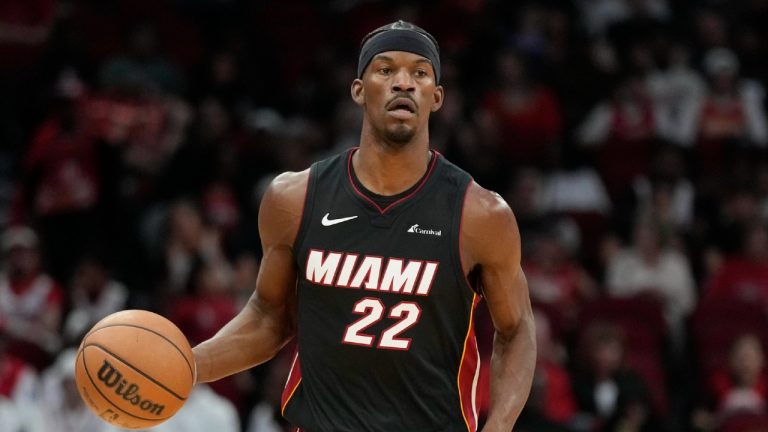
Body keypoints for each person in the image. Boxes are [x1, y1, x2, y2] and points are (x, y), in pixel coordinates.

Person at [192, 20, 536, 432]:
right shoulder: (294, 198)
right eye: (386, 70)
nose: (404, 83)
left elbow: (515, 330)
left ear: (437, 97)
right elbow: (270, 317)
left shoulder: (481, 214)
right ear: (358, 89)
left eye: (420, 73)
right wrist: (188, 367)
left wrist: (498, 426)